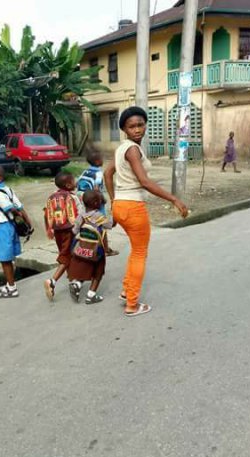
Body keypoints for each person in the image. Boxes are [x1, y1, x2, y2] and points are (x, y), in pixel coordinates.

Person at [104, 106, 189, 317]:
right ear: (124, 128)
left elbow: (107, 174)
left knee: (135, 251)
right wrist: (174, 198)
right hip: (133, 206)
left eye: (140, 125)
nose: (137, 129)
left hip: (121, 206)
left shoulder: (121, 148)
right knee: (140, 253)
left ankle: (127, 291)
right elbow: (144, 181)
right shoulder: (133, 149)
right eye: (132, 126)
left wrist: (114, 201)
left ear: (145, 125)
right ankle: (132, 304)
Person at [0, 166, 32, 299]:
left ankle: (12, 288)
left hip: (4, 227)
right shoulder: (8, 190)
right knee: (9, 257)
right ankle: (9, 284)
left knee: (4, 259)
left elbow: (13, 209)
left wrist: (18, 215)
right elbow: (20, 207)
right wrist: (28, 222)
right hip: (12, 227)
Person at [68, 191, 112, 305]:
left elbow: (74, 231)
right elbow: (110, 225)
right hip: (97, 251)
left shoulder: (81, 216)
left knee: (85, 269)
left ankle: (77, 284)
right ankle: (91, 295)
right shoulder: (99, 216)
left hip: (82, 249)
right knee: (98, 273)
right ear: (97, 203)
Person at [43, 172, 81, 301]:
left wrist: (48, 229)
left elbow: (46, 213)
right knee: (67, 256)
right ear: (69, 184)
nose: (76, 183)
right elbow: (80, 215)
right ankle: (52, 281)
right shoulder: (72, 197)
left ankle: (72, 281)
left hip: (57, 231)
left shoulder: (52, 197)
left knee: (65, 254)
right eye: (74, 181)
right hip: (70, 231)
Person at [76, 150, 118, 256]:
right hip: (95, 202)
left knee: (88, 224)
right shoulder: (98, 173)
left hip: (85, 201)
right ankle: (106, 249)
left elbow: (78, 184)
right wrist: (100, 200)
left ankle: (88, 247)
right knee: (101, 225)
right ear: (98, 161)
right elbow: (96, 187)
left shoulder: (85, 171)